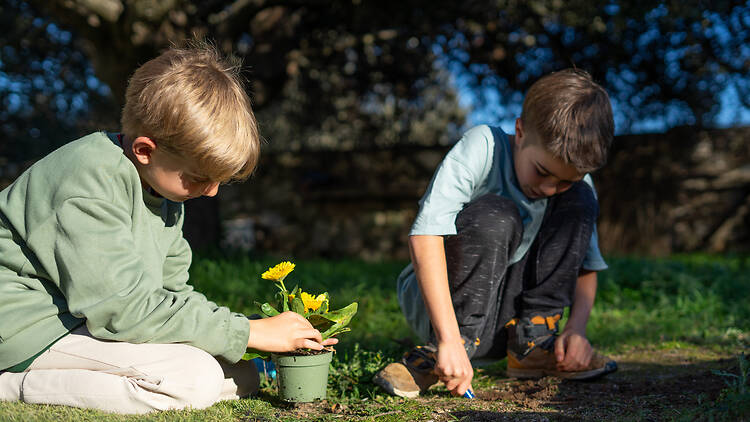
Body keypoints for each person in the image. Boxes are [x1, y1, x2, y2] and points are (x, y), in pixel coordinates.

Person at [0, 41, 336, 414]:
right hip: (25, 332)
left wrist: (249, 333)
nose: (210, 193)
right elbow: (122, 311)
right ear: (145, 150)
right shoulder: (86, 182)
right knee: (194, 381)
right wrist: (247, 332)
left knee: (242, 374)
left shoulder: (162, 192)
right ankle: (11, 385)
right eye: (198, 178)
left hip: (82, 322)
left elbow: (170, 293)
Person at [373, 69, 618, 399]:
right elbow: (425, 234)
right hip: (446, 314)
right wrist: (447, 339)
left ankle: (532, 345)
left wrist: (577, 329)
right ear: (519, 132)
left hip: (508, 318)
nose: (549, 188)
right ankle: (437, 354)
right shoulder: (483, 147)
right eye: (542, 171)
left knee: (580, 199)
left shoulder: (577, 187)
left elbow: (586, 266)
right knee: (497, 214)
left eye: (564, 181)